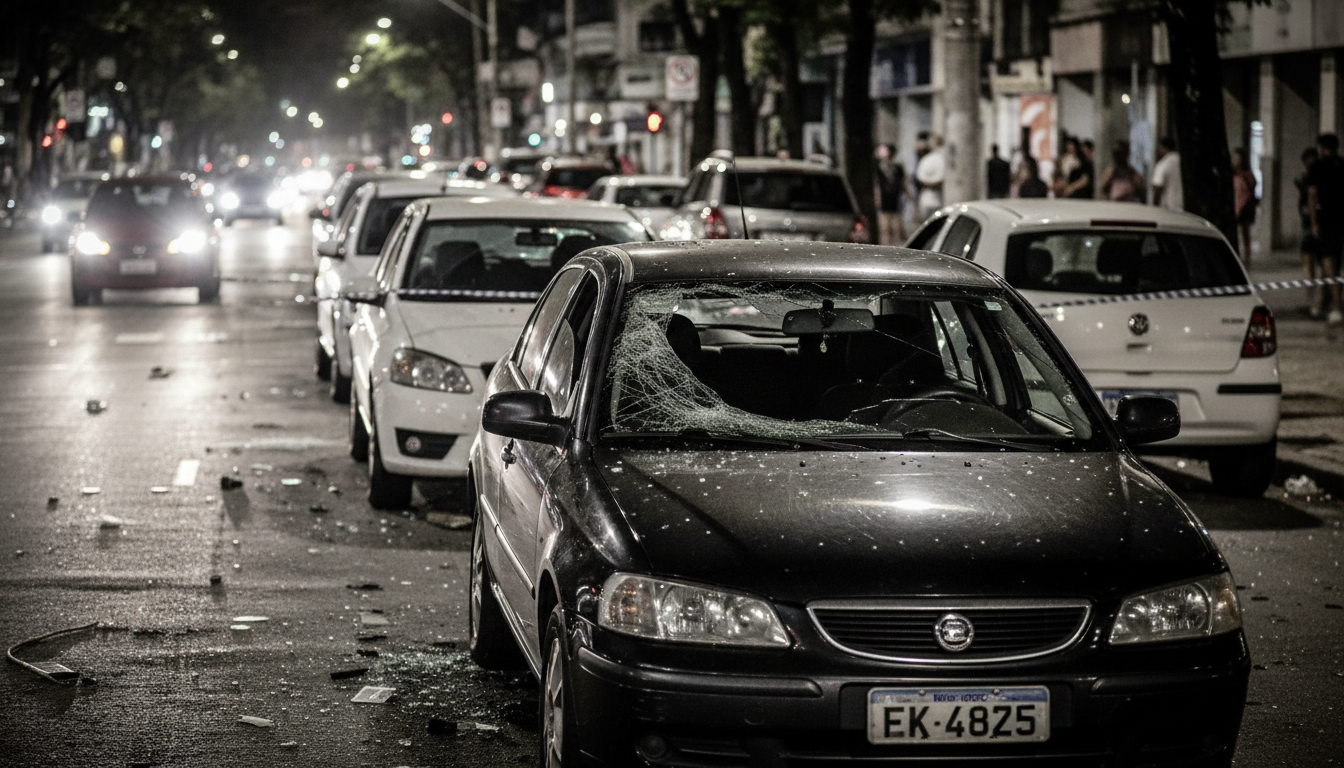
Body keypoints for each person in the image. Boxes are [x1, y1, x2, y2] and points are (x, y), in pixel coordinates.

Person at [1307, 133, 1344, 324]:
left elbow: (1312, 196)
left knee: (1328, 263)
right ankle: (1322, 303)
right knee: (1333, 263)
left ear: (1322, 147)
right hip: (1341, 221)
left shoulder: (1317, 167)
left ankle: (1337, 307)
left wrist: (1313, 223)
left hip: (1327, 222)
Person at [1297, 147, 1323, 317]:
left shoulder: (1321, 179)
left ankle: (1320, 302)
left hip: (1321, 226)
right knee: (1308, 265)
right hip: (1307, 226)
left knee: (1325, 265)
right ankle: (1311, 301)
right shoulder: (1303, 179)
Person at [874, 143, 913, 244]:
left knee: (897, 227)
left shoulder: (897, 167)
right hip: (885, 198)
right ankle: (886, 246)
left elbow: (904, 183)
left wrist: (911, 198)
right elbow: (877, 185)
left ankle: (896, 246)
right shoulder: (879, 167)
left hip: (896, 198)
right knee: (885, 227)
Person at [1232, 148, 1259, 268]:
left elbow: (1252, 187)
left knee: (1245, 233)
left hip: (1245, 205)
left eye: (1238, 157)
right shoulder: (1232, 173)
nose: (1236, 160)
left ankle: (1247, 260)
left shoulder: (1247, 174)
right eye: (1235, 157)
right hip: (1235, 204)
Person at [915, 134, 946, 220]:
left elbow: (920, 178)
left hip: (928, 198)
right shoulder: (941, 159)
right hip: (937, 198)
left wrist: (930, 184)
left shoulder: (926, 160)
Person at [1150, 136, 1183, 211]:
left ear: (1164, 148)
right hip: (1185, 211)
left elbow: (1157, 187)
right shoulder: (1182, 162)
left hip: (1168, 211)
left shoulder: (1163, 163)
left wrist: (1154, 209)